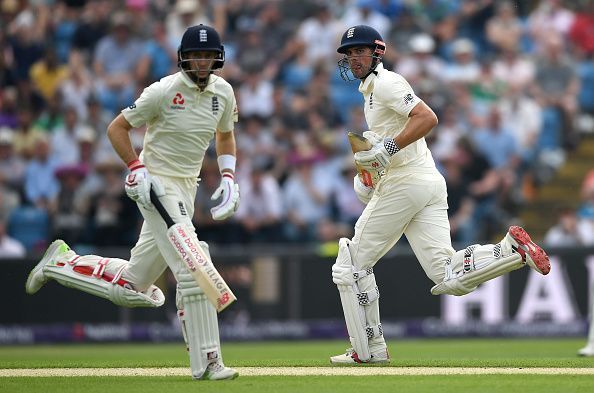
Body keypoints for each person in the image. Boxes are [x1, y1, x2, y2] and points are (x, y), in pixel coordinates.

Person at [25, 24, 240, 380]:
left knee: (133, 286)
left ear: (216, 58)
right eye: (196, 55)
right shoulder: (164, 90)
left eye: (207, 56)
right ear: (184, 58)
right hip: (155, 186)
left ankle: (60, 263)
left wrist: (229, 177)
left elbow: (226, 135)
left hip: (187, 187)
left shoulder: (224, 92)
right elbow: (116, 128)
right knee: (193, 264)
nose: (202, 62)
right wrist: (136, 166)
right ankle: (208, 362)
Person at [330, 25, 551, 364]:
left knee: (351, 264)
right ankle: (510, 251)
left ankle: (369, 350)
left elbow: (427, 117)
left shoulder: (387, 83)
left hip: (407, 183)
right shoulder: (370, 93)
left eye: (359, 51)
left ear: (377, 52)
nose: (353, 58)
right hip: (425, 181)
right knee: (448, 275)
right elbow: (389, 150)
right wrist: (371, 173)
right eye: (349, 53)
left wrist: (387, 148)